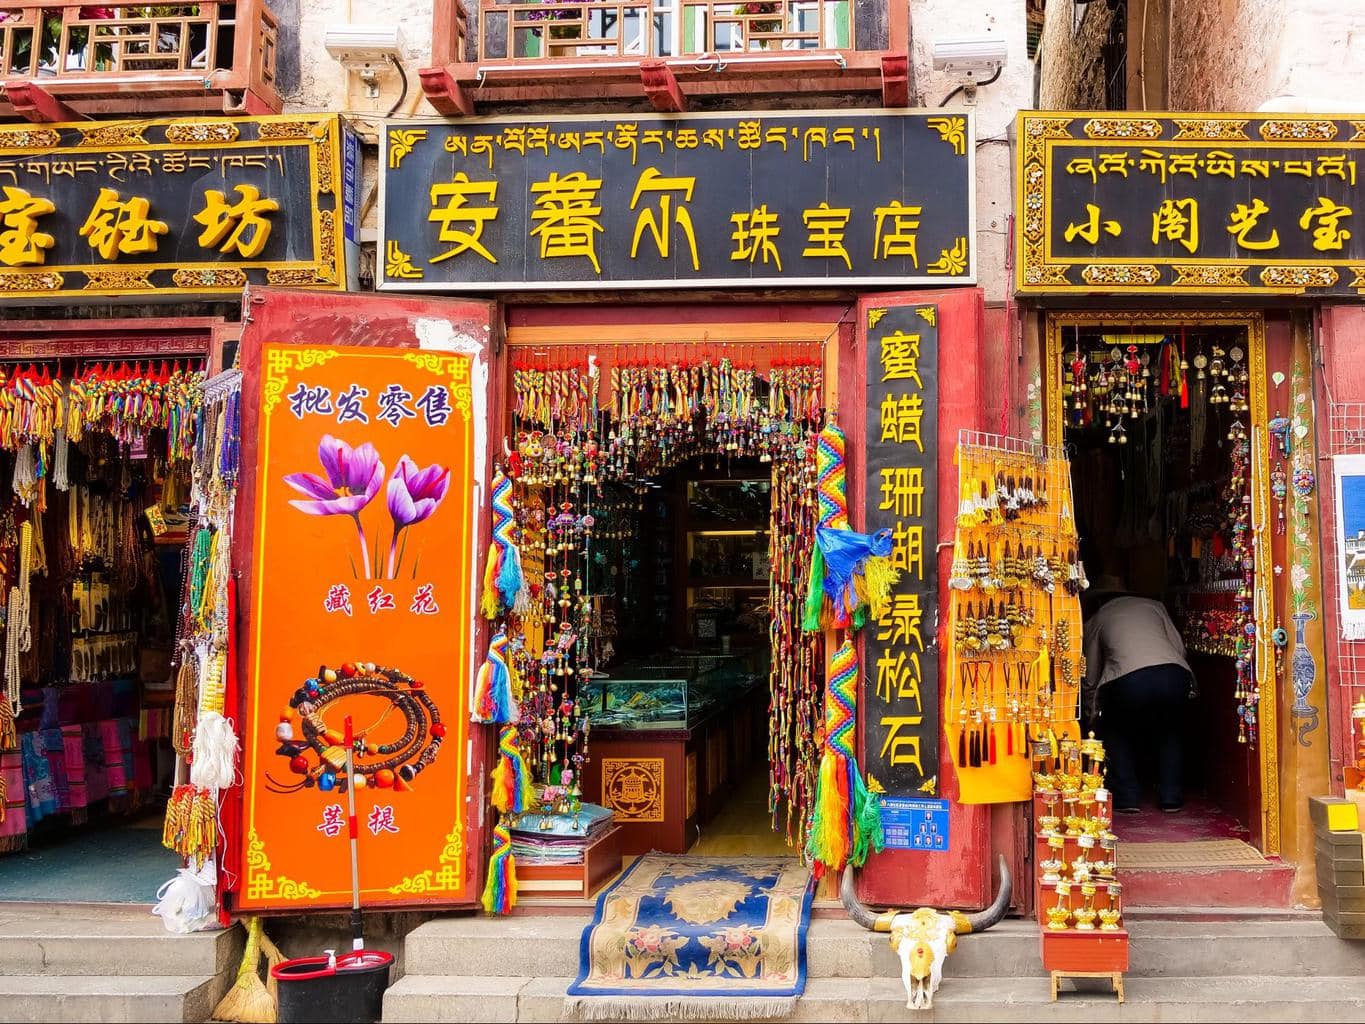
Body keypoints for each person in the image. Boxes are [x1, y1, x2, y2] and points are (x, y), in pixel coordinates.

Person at [1082, 576, 1194, 813]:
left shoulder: (1098, 617)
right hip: (1174, 675)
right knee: (1170, 731)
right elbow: (1179, 648)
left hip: (1128, 680)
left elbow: (1090, 672)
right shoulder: (1155, 606)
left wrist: (1092, 710)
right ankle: (1170, 796)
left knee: (1114, 729)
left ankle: (1127, 797)